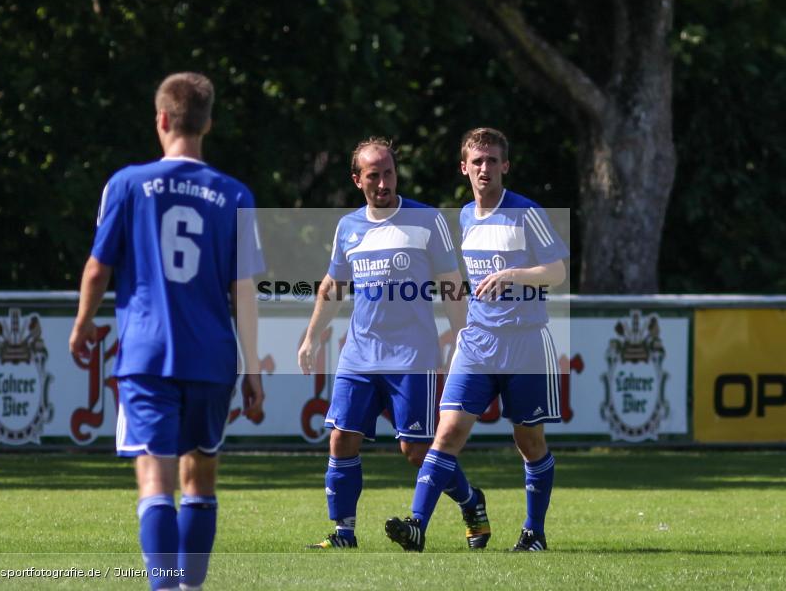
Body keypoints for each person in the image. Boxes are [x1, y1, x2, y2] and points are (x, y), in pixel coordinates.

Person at [69, 72, 265, 590]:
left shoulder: (127, 184)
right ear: (208, 124)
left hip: (146, 354)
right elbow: (243, 290)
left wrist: (83, 323)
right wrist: (252, 369)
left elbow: (97, 268)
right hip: (212, 356)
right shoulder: (236, 195)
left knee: (154, 479)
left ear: (161, 119)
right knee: (199, 476)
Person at [298, 138, 488, 549]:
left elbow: (453, 286)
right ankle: (344, 533)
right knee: (341, 437)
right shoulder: (348, 227)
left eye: (388, 173)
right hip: (359, 354)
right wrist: (312, 336)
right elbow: (333, 286)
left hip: (412, 356)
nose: (383, 182)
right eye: (373, 175)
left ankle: (471, 502)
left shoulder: (427, 220)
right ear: (357, 180)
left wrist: (464, 341)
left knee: (417, 450)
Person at [386, 127, 569, 552]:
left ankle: (533, 533)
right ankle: (417, 525)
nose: (484, 168)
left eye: (492, 160)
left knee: (530, 441)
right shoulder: (465, 216)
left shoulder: (526, 213)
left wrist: (512, 275)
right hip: (478, 343)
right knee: (446, 433)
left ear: (505, 166)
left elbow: (557, 272)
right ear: (464, 167)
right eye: (477, 161)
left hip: (524, 343)